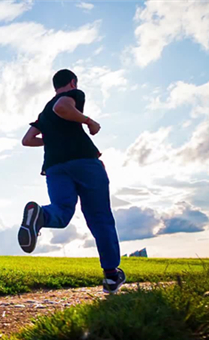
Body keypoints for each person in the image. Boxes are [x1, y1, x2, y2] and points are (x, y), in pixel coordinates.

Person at [19, 69, 126, 294]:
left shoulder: (44, 112)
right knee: (100, 218)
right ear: (72, 82)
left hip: (55, 167)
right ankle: (111, 275)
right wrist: (89, 121)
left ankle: (40, 215)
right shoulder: (73, 95)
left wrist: (50, 140)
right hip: (84, 162)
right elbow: (62, 108)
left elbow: (27, 140)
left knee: (61, 212)